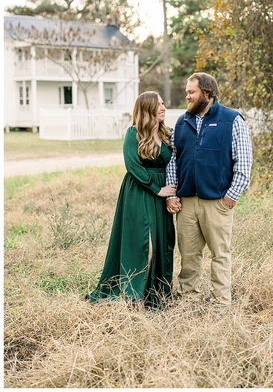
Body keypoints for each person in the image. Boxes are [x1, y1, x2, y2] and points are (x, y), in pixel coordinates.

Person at [165, 72, 252, 307]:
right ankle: (187, 300)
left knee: (220, 255)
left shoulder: (232, 120)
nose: (187, 97)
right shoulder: (182, 123)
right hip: (186, 203)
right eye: (187, 92)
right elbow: (174, 161)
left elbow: (243, 163)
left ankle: (221, 304)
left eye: (191, 92)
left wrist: (230, 198)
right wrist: (172, 195)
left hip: (217, 202)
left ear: (207, 93)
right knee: (189, 255)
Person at [87, 91, 177, 309]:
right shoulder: (133, 133)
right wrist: (158, 189)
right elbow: (133, 167)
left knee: (161, 241)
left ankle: (153, 295)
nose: (164, 108)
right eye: (159, 105)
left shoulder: (168, 134)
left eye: (164, 104)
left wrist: (171, 193)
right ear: (147, 110)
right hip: (140, 192)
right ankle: (133, 296)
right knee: (144, 245)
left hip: (163, 195)